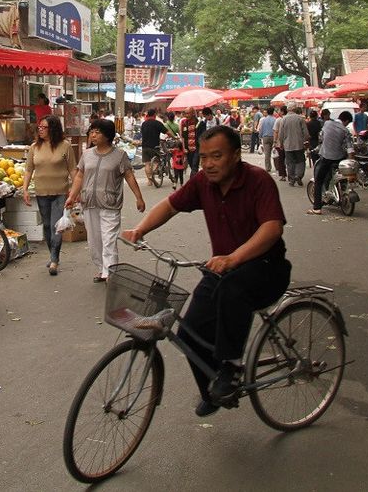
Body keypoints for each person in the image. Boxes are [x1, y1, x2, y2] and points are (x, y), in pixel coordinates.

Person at [121, 125, 290, 417]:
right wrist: (140, 229)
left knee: (233, 289)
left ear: (236, 155)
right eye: (204, 156)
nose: (209, 163)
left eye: (217, 156)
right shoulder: (203, 182)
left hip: (267, 268)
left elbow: (272, 228)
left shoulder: (258, 181)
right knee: (188, 333)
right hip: (223, 269)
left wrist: (234, 258)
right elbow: (171, 205)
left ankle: (231, 367)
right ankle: (213, 391)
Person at [66, 119, 145, 282]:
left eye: (97, 132)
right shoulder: (87, 154)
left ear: (108, 135)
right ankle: (102, 268)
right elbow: (80, 176)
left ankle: (110, 272)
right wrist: (72, 196)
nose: (93, 135)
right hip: (89, 203)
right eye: (92, 132)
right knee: (94, 241)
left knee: (108, 239)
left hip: (110, 204)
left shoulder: (119, 155)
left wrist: (139, 197)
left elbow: (129, 176)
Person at [22, 115, 76, 276]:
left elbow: (73, 169)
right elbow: (28, 170)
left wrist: (76, 191)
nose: (40, 130)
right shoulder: (34, 147)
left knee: (56, 226)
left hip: (60, 192)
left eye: (44, 127)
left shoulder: (65, 146)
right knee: (46, 226)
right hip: (41, 192)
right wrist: (24, 189)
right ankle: (52, 253)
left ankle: (54, 260)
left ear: (53, 129)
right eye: (39, 127)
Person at [307, 111, 354, 216]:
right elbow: (350, 149)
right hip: (340, 158)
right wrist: (350, 161)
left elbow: (321, 139)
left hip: (326, 157)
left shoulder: (327, 124)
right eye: (347, 123)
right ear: (345, 121)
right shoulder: (345, 130)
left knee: (318, 181)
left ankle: (317, 208)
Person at [277, 105, 309, 186]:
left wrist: (281, 143)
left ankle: (291, 180)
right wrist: (305, 140)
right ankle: (298, 175)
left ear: (288, 110)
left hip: (288, 145)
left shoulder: (283, 119)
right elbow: (305, 133)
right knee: (301, 161)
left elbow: (281, 134)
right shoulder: (300, 118)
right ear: (295, 109)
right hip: (299, 144)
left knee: (290, 162)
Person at [139, 109, 168, 184]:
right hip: (154, 146)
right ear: (154, 115)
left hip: (144, 146)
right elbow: (167, 132)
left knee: (147, 164)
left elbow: (142, 133)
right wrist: (174, 137)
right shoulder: (157, 123)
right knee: (155, 162)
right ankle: (153, 175)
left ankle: (149, 181)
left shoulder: (144, 124)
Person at [180, 109, 200, 176]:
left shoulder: (199, 122)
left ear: (193, 113)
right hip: (188, 149)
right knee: (192, 166)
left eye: (188, 113)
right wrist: (184, 148)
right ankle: (197, 180)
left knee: (194, 166)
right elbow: (182, 137)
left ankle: (193, 182)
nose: (186, 115)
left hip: (197, 148)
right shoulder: (184, 123)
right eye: (185, 113)